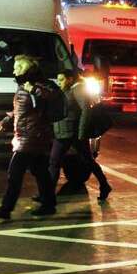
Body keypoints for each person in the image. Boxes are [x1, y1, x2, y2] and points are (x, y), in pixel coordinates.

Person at [0, 55, 58, 220]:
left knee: (15, 173)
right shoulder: (23, 85)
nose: (14, 71)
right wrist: (6, 120)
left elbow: (51, 95)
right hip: (29, 135)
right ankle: (49, 204)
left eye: (18, 68)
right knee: (41, 172)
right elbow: (21, 109)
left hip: (31, 136)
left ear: (28, 69)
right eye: (14, 67)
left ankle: (6, 209)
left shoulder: (37, 84)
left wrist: (33, 89)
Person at [48, 69, 111, 202]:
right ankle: (105, 185)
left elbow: (86, 111)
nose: (59, 83)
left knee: (54, 162)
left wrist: (81, 133)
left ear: (70, 79)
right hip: (66, 132)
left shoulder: (78, 89)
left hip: (71, 133)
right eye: (58, 80)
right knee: (87, 161)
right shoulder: (68, 89)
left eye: (61, 80)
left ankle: (47, 195)